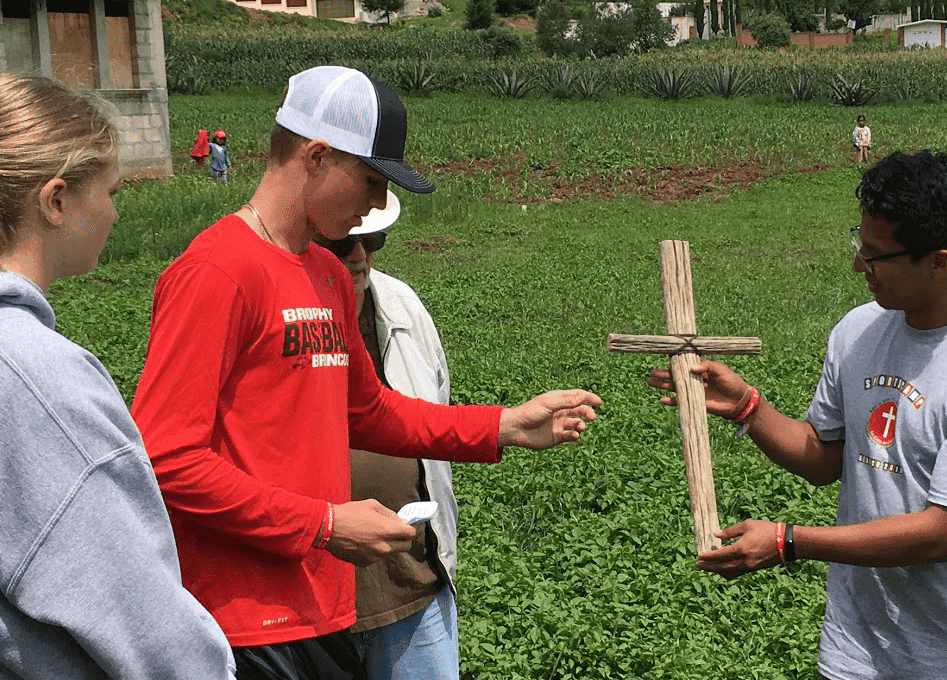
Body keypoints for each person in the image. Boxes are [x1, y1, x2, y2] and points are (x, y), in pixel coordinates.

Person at [130, 65, 602, 680]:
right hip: (245, 623)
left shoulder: (327, 277)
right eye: (373, 181)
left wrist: (503, 426)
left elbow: (368, 412)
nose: (378, 205)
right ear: (317, 156)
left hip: (326, 609)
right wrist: (323, 524)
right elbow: (165, 457)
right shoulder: (216, 272)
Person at [648, 150, 947, 679]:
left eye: (876, 255)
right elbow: (825, 458)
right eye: (859, 245)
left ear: (940, 262)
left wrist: (789, 541)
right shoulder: (859, 331)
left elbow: (941, 534)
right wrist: (748, 407)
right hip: (858, 650)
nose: (859, 266)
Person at [0, 73, 236, 679]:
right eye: (110, 191)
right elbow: (141, 618)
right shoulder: (31, 377)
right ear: (56, 200)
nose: (117, 213)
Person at [334, 190, 462, 680]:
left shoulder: (402, 305)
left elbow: (434, 408)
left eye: (373, 241)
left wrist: (501, 427)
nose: (360, 257)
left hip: (411, 583)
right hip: (314, 599)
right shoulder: (275, 310)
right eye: (344, 244)